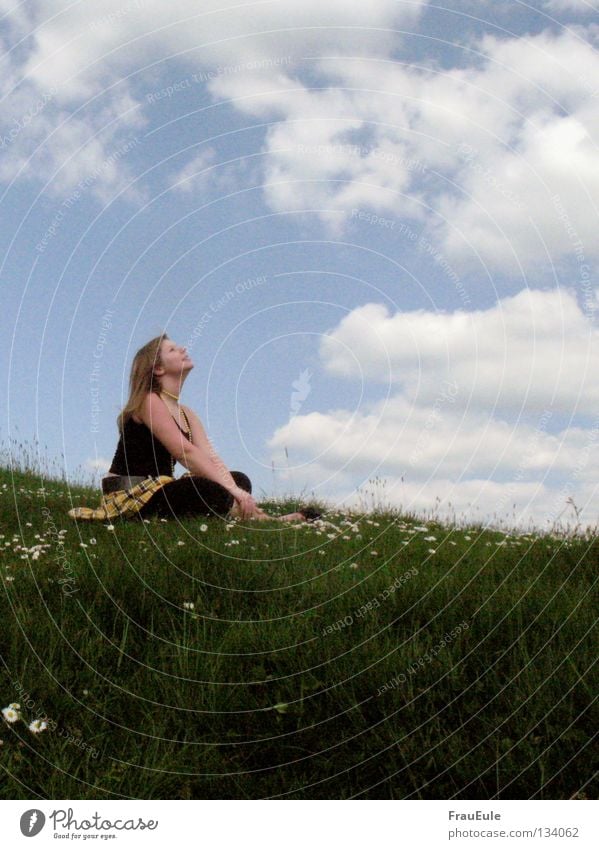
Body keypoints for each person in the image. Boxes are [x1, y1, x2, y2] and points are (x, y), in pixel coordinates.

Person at [67, 333, 320, 523]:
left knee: (239, 478)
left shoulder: (188, 414)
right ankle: (265, 520)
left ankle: (248, 513)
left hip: (162, 488)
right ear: (158, 368)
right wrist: (231, 490)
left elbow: (209, 456)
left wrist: (235, 487)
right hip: (132, 494)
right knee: (211, 489)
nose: (183, 349)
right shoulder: (148, 401)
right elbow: (185, 452)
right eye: (173, 350)